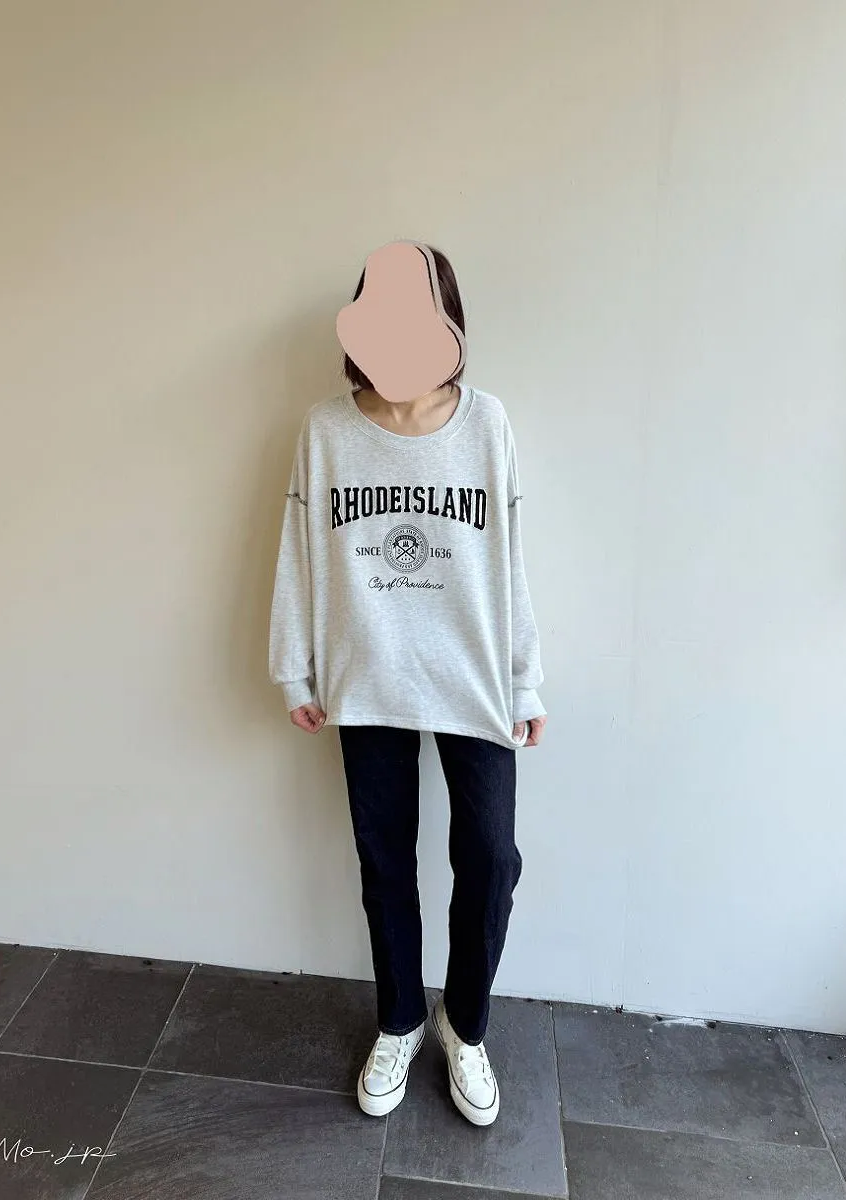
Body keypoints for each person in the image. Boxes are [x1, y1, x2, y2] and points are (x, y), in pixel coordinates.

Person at [268, 243, 546, 1127]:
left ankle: (464, 1025)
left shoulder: (487, 424)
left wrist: (526, 683)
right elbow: (298, 552)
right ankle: (399, 1020)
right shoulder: (326, 430)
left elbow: (511, 563)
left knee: (490, 859)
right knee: (385, 861)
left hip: (473, 677)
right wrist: (293, 665)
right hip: (368, 673)